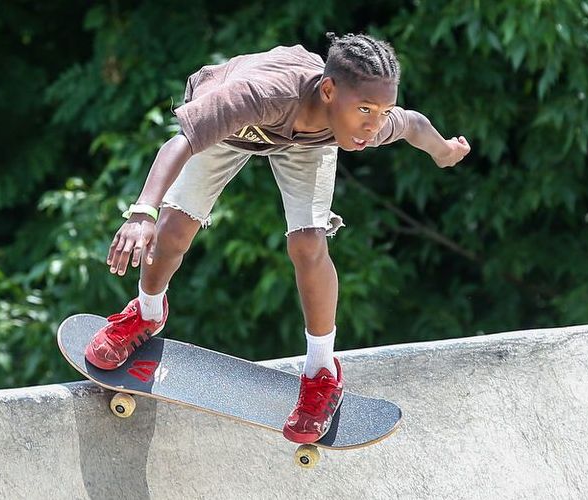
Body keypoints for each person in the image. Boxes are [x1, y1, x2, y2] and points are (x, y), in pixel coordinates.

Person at [84, 32, 470, 444]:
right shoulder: (256, 95)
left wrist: (443, 150)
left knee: (307, 244)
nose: (371, 125)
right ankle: (146, 311)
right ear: (328, 90)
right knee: (174, 229)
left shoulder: (365, 123)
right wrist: (143, 211)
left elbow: (412, 123)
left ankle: (322, 372)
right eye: (363, 110)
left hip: (309, 143)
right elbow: (180, 143)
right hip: (234, 129)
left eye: (381, 111)